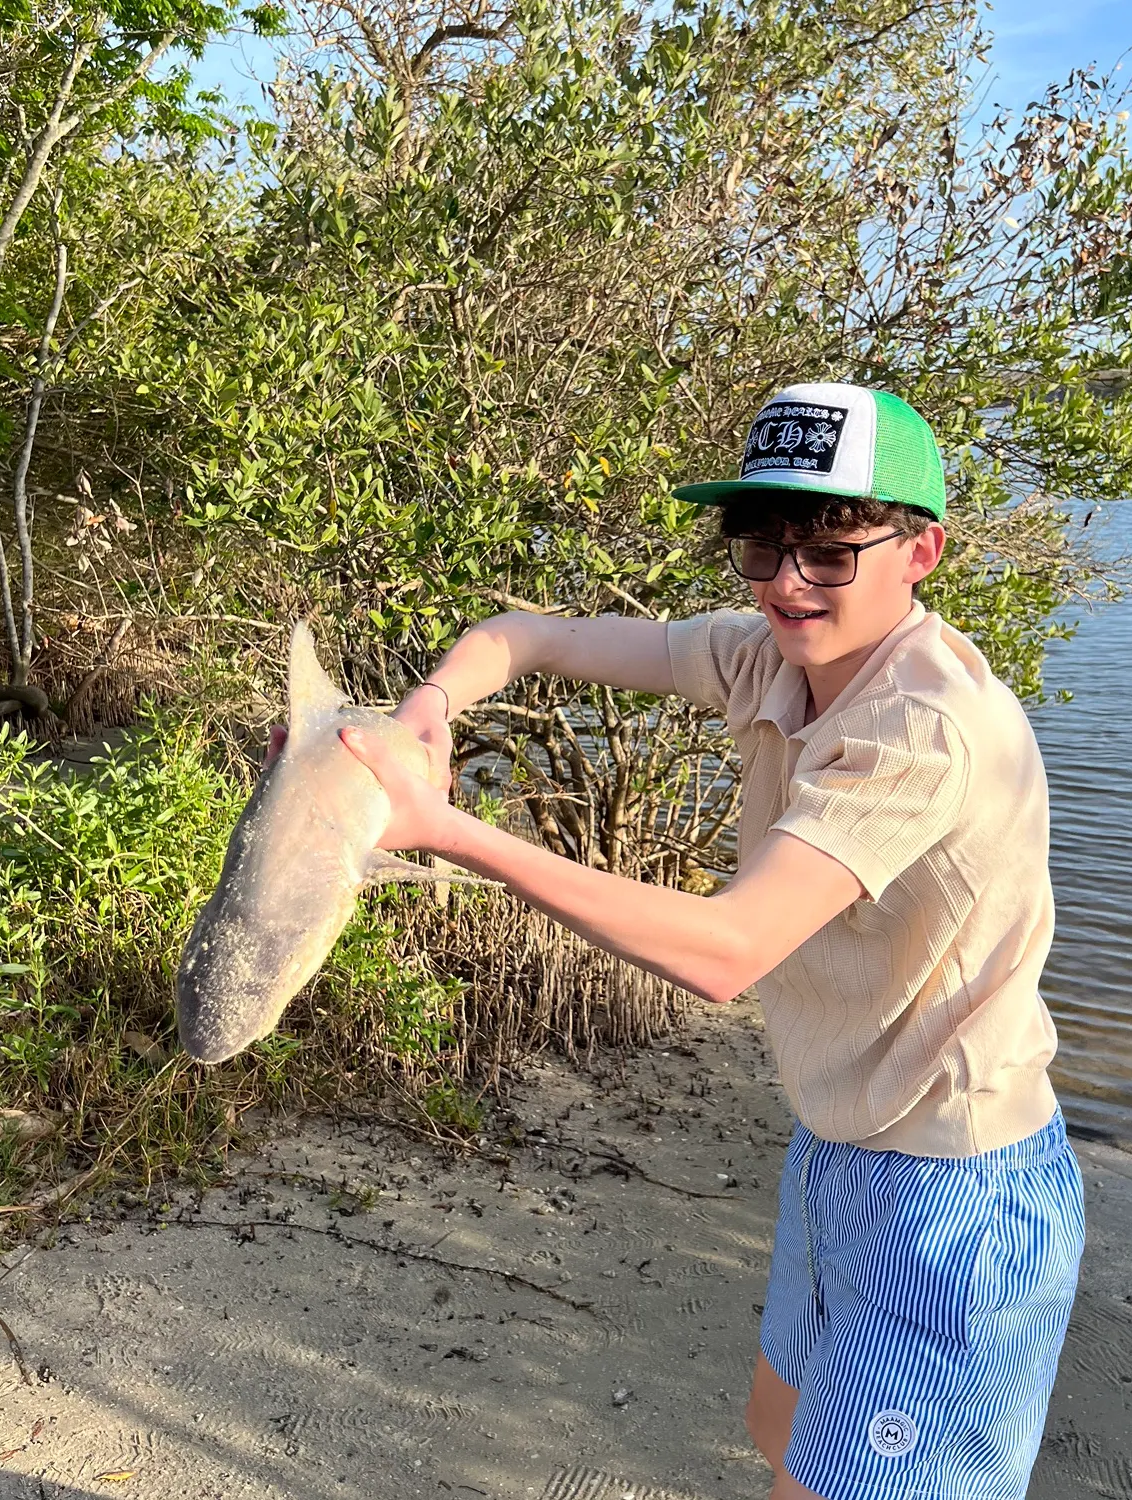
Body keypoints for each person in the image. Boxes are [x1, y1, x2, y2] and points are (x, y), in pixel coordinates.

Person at [332, 382, 1086, 1500]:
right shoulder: (772, 659)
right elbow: (523, 636)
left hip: (956, 1195)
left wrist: (443, 829)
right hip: (838, 1147)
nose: (788, 582)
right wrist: (433, 703)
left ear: (922, 551)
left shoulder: (923, 726)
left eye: (831, 549)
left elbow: (727, 952)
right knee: (780, 1436)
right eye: (761, 542)